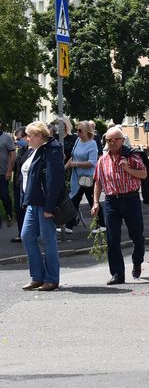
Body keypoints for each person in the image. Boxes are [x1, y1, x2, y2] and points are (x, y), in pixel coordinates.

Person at [92, 127, 147, 285]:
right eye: (109, 140)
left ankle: (137, 261)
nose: (112, 142)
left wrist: (127, 168)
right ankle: (117, 274)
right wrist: (96, 202)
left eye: (116, 139)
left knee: (137, 236)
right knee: (112, 239)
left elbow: (143, 174)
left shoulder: (132, 156)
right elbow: (98, 182)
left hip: (131, 199)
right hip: (111, 201)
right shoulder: (102, 160)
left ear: (122, 140)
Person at [20, 121, 64, 292]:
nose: (27, 139)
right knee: (26, 236)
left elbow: (54, 180)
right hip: (32, 202)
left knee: (48, 240)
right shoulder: (35, 149)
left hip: (44, 204)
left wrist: (49, 207)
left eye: (30, 136)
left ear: (39, 136)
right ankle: (37, 277)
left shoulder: (52, 150)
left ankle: (51, 279)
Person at [65, 121, 105, 234]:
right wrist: (65, 167)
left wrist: (76, 164)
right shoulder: (78, 141)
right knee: (73, 200)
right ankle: (69, 226)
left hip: (88, 178)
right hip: (76, 177)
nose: (77, 133)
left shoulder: (92, 143)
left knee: (93, 201)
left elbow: (92, 162)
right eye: (77, 130)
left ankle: (101, 224)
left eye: (80, 131)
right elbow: (73, 156)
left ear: (87, 132)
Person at [11, 128, 30, 242]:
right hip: (18, 184)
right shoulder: (22, 150)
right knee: (19, 210)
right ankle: (21, 233)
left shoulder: (32, 151)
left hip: (27, 186)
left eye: (19, 139)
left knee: (27, 210)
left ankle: (27, 234)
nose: (17, 141)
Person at [0, 119, 16, 228]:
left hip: (3, 172)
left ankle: (10, 214)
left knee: (4, 196)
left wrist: (9, 171)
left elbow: (12, 154)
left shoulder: (6, 138)